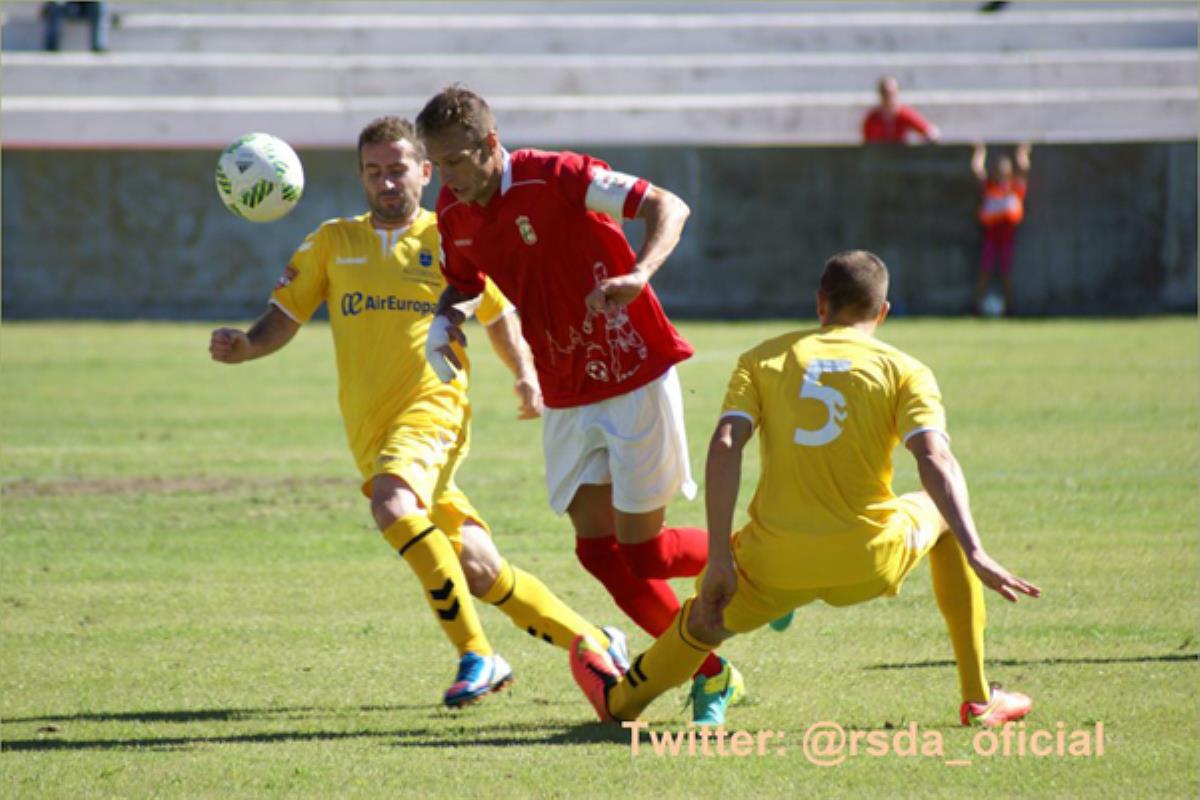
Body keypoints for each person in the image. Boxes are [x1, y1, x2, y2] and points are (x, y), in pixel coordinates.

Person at [209, 116, 628, 709]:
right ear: (360, 177)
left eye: (397, 169)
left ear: (425, 172)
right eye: (373, 172)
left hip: (434, 409)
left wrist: (525, 374)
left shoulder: (453, 235)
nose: (386, 182)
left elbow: (498, 314)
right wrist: (248, 345)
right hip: (371, 431)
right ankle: (596, 640)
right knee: (479, 569)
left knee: (392, 504)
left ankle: (478, 655)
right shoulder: (332, 242)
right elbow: (285, 316)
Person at [570, 250, 1041, 728]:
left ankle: (622, 702)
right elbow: (935, 459)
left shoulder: (763, 359)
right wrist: (975, 551)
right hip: (868, 559)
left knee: (702, 621)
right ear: (882, 312)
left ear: (820, 304)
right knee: (938, 515)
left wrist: (720, 558)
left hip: (775, 564)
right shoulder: (906, 370)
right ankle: (978, 699)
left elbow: (726, 443)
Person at [415, 85, 744, 724]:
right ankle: (712, 671)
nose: (445, 177)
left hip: (633, 375)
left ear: (489, 145)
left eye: (454, 160)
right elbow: (463, 285)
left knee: (644, 552)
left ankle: (755, 559)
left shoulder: (558, 176)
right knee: (597, 553)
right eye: (437, 163)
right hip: (565, 393)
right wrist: (443, 321)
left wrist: (639, 273)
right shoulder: (453, 211)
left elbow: (668, 205)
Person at [972, 142, 1032, 316]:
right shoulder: (990, 187)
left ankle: (1009, 308)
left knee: (1006, 274)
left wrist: (1022, 153)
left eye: (1004, 169)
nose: (1001, 172)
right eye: (999, 169)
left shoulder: (1015, 187)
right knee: (985, 272)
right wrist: (979, 151)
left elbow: (1024, 169)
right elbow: (977, 170)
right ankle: (977, 307)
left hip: (1007, 239)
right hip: (991, 238)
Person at [862, 76, 940, 145]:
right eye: (885, 93)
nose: (888, 98)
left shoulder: (904, 114)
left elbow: (930, 131)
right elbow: (867, 144)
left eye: (891, 94)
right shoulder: (872, 119)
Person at [42, 1, 109, 52]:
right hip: (67, 5)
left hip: (87, 6)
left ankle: (99, 46)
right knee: (55, 6)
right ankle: (52, 46)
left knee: (100, 7)